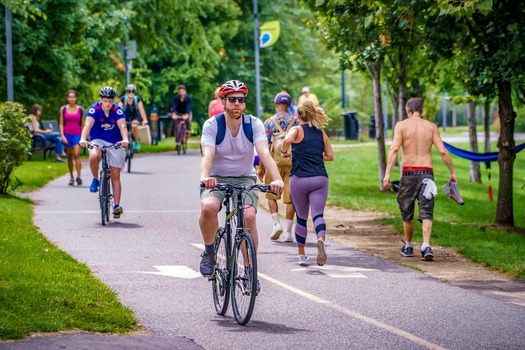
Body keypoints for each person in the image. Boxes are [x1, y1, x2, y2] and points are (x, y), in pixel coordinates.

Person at [199, 80, 285, 281]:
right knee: (209, 207)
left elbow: (264, 152)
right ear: (223, 101)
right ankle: (209, 252)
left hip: (245, 178)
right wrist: (205, 177)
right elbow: (207, 154)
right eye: (232, 100)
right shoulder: (212, 125)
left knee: (249, 217)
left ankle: (249, 269)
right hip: (216, 178)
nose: (237, 103)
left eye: (241, 100)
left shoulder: (253, 124)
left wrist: (278, 179)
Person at [382, 97, 458, 261]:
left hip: (409, 174)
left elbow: (394, 149)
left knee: (406, 210)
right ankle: (426, 245)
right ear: (421, 111)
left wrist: (387, 174)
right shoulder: (431, 127)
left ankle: (409, 246)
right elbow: (443, 151)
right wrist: (452, 172)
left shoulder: (401, 126)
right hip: (427, 174)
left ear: (407, 111)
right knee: (427, 211)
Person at [282, 100, 334, 266]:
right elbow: (330, 156)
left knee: (302, 218)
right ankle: (320, 240)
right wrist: (316, 156)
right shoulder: (321, 133)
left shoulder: (296, 129)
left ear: (298, 116)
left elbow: (287, 140)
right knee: (318, 215)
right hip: (319, 179)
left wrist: (284, 152)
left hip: (299, 179)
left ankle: (302, 255)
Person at [79, 87, 129, 219]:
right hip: (98, 139)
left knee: (115, 174)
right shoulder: (94, 109)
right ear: (101, 100)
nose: (107, 104)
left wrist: (125, 139)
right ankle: (95, 179)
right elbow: (87, 125)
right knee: (94, 155)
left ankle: (116, 206)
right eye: (105, 101)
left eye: (110, 101)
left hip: (115, 141)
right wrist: (83, 139)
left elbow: (123, 126)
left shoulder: (117, 110)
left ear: (113, 101)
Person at [257, 91, 298, 242]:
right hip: (293, 163)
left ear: (276, 105)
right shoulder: (296, 122)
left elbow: (265, 146)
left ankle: (276, 224)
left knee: (271, 194)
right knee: (291, 198)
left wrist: (261, 167)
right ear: (289, 105)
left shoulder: (269, 122)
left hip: (274, 163)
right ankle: (287, 232)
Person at [59, 90, 84, 185]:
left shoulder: (80, 109)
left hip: (77, 134)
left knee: (77, 154)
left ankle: (79, 176)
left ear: (76, 98)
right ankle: (71, 177)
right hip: (67, 134)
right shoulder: (63, 109)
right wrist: (62, 136)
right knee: (70, 156)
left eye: (73, 97)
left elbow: (82, 124)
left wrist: (83, 137)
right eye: (70, 97)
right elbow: (61, 124)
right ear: (67, 98)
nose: (72, 98)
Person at [118, 84, 148, 151]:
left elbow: (141, 110)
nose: (131, 93)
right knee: (123, 127)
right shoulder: (123, 99)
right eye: (129, 92)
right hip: (125, 116)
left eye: (132, 92)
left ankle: (136, 141)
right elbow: (118, 110)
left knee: (134, 126)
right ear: (126, 92)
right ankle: (124, 141)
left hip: (135, 116)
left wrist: (144, 119)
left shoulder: (137, 99)